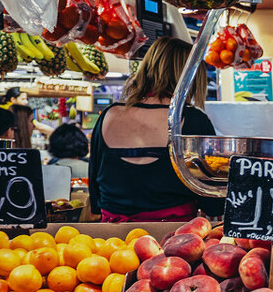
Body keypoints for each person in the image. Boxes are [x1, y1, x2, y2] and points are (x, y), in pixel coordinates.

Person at [89, 37, 222, 222]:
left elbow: (95, 198)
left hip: (113, 241)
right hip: (175, 239)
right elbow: (212, 201)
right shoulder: (192, 120)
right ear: (191, 78)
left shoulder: (108, 116)